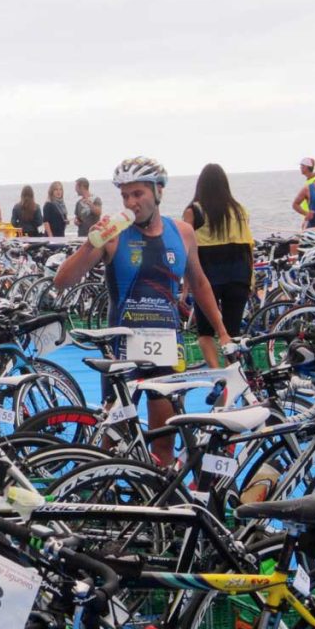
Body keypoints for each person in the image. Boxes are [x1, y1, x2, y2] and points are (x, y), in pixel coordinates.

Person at [53, 156, 231, 467]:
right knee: (113, 441)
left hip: (166, 347)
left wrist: (222, 331)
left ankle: (157, 509)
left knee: (164, 443)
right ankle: (97, 498)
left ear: (158, 192)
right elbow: (63, 280)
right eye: (125, 196)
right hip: (123, 348)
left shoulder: (183, 233)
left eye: (138, 194)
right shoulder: (114, 234)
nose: (131, 202)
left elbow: (200, 284)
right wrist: (89, 244)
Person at [182, 163, 254, 367]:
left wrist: (186, 283)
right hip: (239, 275)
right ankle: (231, 375)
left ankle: (217, 376)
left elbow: (185, 247)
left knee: (205, 332)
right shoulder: (239, 210)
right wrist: (251, 279)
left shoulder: (195, 210)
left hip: (208, 277)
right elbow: (249, 245)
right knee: (231, 334)